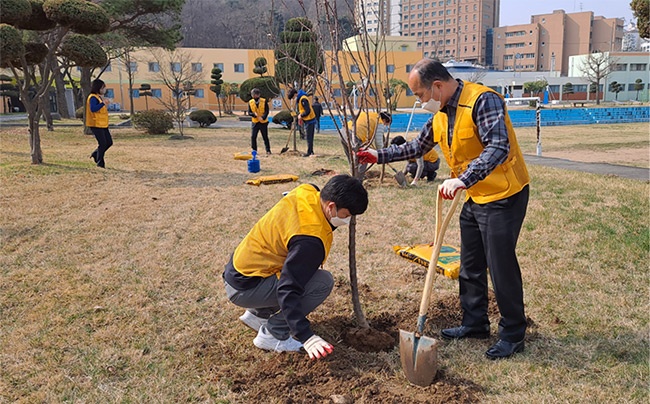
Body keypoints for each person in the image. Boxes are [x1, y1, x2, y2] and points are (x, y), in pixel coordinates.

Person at [357, 59, 530, 360]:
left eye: (420, 94)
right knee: (471, 263)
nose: (419, 101)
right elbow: (415, 147)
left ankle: (513, 333)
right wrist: (377, 155)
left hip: (504, 195)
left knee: (500, 266)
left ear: (437, 86)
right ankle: (475, 323)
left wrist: (463, 178)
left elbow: (497, 146)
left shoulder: (482, 100)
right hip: (475, 195)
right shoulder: (441, 113)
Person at [223, 174, 368, 359]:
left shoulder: (308, 191)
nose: (347, 221)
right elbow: (288, 288)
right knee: (321, 282)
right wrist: (306, 336)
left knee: (296, 266)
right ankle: (273, 333)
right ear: (331, 206)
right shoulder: (310, 241)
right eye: (346, 215)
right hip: (245, 288)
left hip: (240, 272)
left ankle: (258, 315)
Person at [85, 78, 113, 168]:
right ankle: (100, 163)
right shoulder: (93, 97)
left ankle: (95, 154)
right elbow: (93, 109)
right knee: (103, 143)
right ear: (98, 88)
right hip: (96, 124)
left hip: (103, 124)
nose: (104, 89)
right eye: (103, 87)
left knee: (109, 142)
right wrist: (103, 103)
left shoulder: (98, 97)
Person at [288, 88, 317, 157]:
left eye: (293, 97)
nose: (294, 99)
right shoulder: (301, 99)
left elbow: (307, 111)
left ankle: (309, 152)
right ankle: (311, 151)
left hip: (310, 120)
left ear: (295, 94)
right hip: (307, 120)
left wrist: (301, 115)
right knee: (309, 136)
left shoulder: (303, 99)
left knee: (309, 137)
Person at [247, 88, 272, 155]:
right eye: (253, 94)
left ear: (258, 95)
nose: (254, 96)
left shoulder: (264, 101)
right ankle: (254, 150)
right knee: (253, 136)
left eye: (255, 94)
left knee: (265, 136)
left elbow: (267, 111)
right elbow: (249, 112)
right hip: (255, 122)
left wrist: (263, 117)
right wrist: (254, 115)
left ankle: (268, 150)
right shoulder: (250, 102)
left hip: (263, 122)